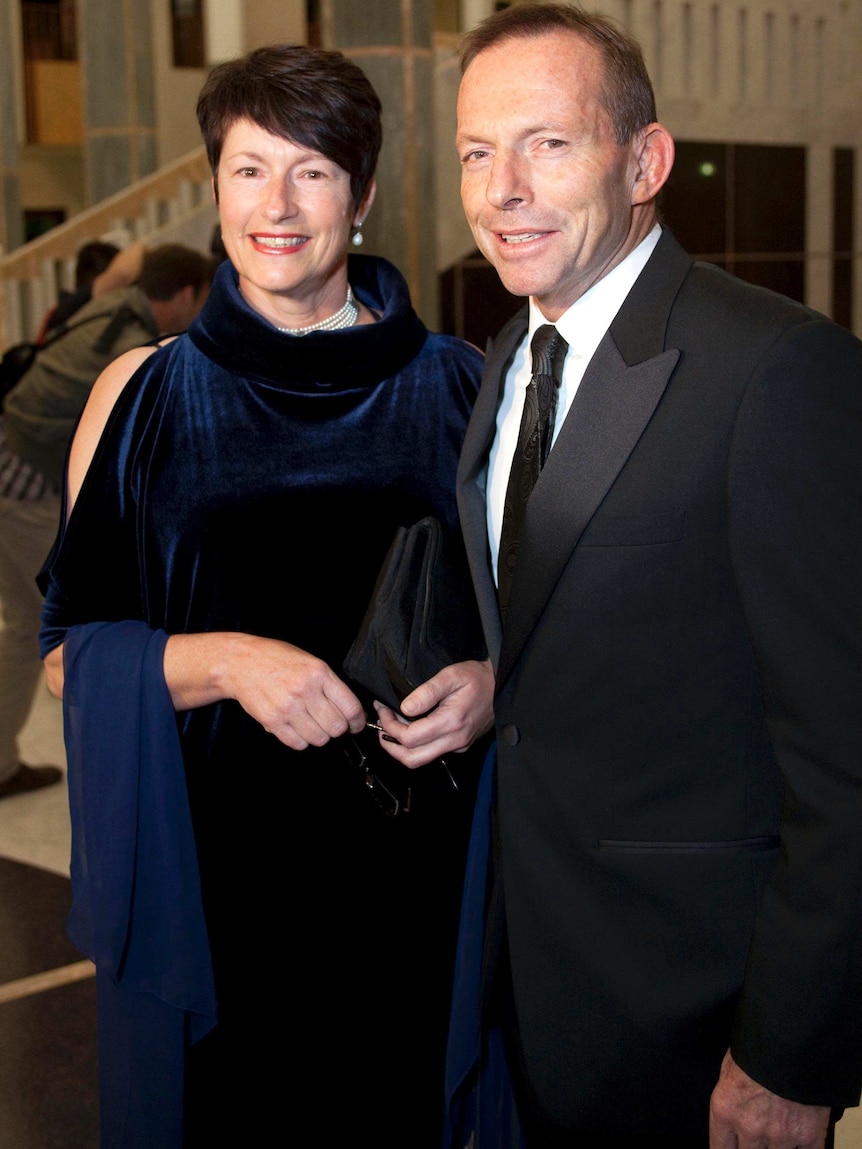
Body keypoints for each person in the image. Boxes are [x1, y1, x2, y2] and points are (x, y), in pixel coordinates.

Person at [407, 4, 862, 1147]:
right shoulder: (506, 359)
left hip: (694, 1014)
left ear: (645, 160)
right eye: (475, 151)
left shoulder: (775, 371)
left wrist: (788, 1058)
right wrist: (496, 682)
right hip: (529, 973)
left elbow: (848, 755)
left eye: (546, 143)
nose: (500, 186)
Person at [38, 44, 493, 1148]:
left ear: (365, 194)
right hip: (218, 885)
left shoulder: (462, 384)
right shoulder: (141, 394)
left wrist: (490, 680)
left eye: (313, 172)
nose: (277, 206)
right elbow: (66, 654)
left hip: (414, 881)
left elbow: (526, 622)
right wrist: (232, 661)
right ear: (216, 188)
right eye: (249, 171)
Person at [0, 243, 212, 802]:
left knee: (23, 625)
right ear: (188, 293)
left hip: (7, 457)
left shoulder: (110, 303)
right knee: (60, 634)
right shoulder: (131, 356)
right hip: (22, 480)